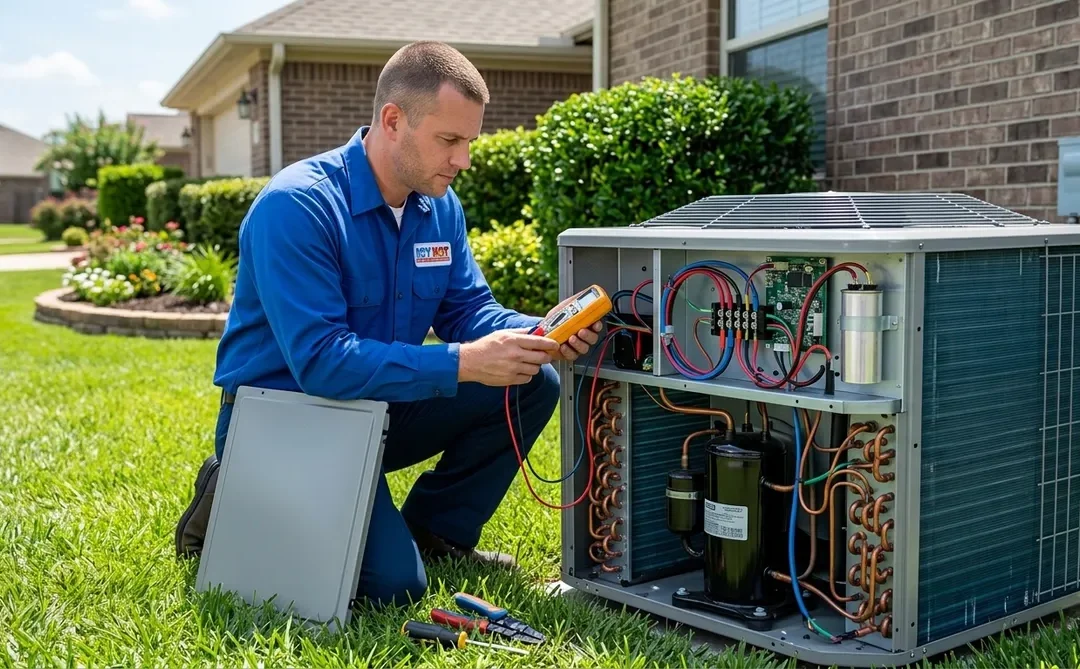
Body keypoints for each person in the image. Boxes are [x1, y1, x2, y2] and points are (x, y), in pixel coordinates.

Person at [173, 40, 602, 607]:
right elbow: (324, 362)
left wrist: (538, 334)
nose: (463, 160)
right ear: (393, 121)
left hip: (376, 409)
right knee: (393, 589)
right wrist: (465, 362)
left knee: (530, 382)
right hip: (290, 420)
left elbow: (467, 310)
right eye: (449, 140)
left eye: (469, 142)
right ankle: (230, 486)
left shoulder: (439, 207)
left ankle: (436, 533)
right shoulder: (297, 207)